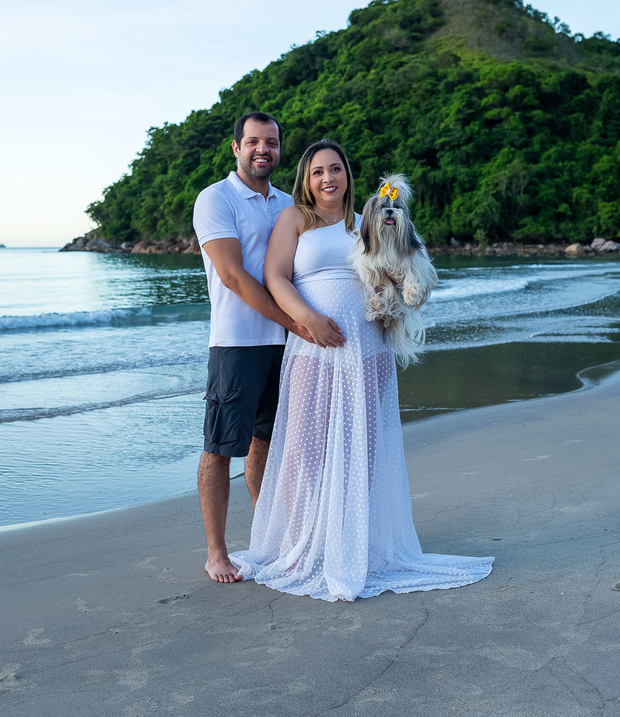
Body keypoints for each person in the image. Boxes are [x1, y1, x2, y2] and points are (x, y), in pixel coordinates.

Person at [229, 139, 494, 601]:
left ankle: (353, 545)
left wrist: (406, 286)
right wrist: (305, 320)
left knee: (363, 451)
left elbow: (404, 269)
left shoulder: (369, 221)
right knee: (303, 452)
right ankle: (301, 545)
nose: (327, 179)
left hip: (367, 349)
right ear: (305, 180)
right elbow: (275, 277)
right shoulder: (293, 219)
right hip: (313, 347)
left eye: (335, 169)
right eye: (317, 172)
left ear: (348, 175)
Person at [192, 112, 345, 584]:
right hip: (238, 342)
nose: (264, 150)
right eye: (254, 142)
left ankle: (268, 539)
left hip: (290, 349)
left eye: (272, 143)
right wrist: (298, 323)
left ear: (280, 150)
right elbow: (235, 277)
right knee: (221, 448)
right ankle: (216, 552)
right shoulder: (215, 198)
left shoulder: (288, 204)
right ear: (235, 148)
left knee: (268, 444)